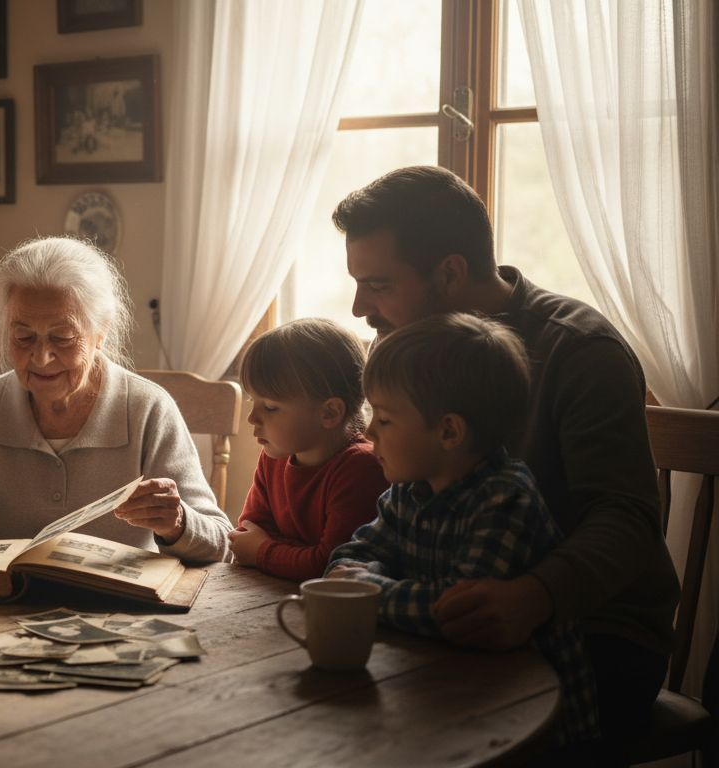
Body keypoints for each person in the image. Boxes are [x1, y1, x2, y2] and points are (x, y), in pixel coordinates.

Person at [333, 165, 678, 758]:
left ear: (449, 273)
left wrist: (536, 595)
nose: (361, 307)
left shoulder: (579, 350)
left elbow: (625, 518)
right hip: (449, 613)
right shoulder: (407, 346)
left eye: (379, 284)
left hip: (593, 633)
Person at [0, 236, 232, 562]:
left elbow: (221, 540)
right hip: (6, 610)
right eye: (23, 338)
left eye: (62, 338)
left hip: (123, 614)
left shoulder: (148, 409)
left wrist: (178, 523)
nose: (40, 358)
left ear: (100, 332)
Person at [326, 313, 597, 746]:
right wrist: (364, 579)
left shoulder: (505, 499)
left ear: (448, 431)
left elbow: (455, 614)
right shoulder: (408, 490)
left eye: (385, 417)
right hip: (447, 687)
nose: (369, 430)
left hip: (532, 726)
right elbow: (347, 559)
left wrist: (367, 590)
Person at [228, 318, 387, 581]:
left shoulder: (361, 468)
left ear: (329, 412)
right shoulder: (273, 458)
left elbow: (329, 565)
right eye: (252, 401)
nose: (252, 419)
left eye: (269, 407)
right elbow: (246, 536)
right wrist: (289, 555)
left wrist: (264, 552)